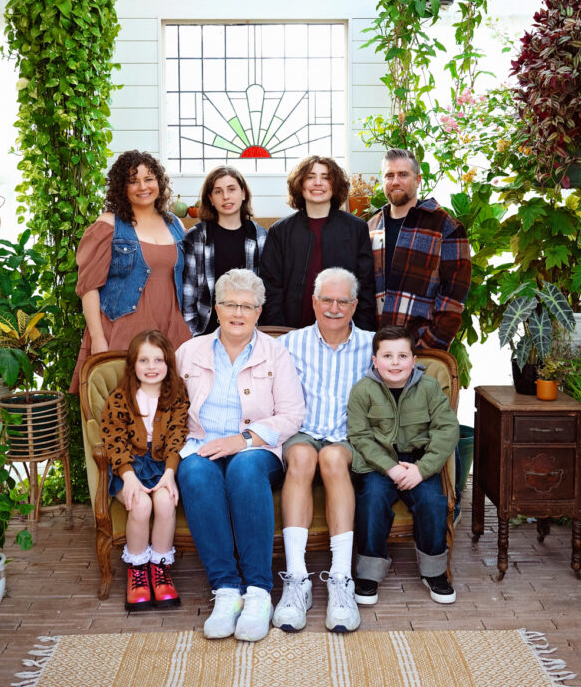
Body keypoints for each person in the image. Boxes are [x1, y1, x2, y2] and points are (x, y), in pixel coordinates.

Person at [174, 269, 306, 642]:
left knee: (245, 471)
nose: (238, 312)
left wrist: (243, 438)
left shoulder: (276, 354)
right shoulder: (189, 351)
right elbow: (170, 408)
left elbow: (292, 414)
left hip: (257, 448)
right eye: (230, 303)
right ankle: (227, 591)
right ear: (216, 308)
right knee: (196, 473)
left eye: (246, 306)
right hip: (200, 443)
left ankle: (259, 593)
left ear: (259, 312)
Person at [273, 268, 373, 634]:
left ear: (354, 305)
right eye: (326, 300)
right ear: (314, 302)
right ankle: (297, 580)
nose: (334, 308)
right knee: (300, 456)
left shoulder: (372, 345)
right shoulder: (289, 344)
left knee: (331, 458)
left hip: (348, 438)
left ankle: (341, 580)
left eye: (342, 301)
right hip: (302, 431)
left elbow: (407, 374)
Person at [347, 325, 459, 606]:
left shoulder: (429, 387)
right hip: (379, 465)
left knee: (433, 502)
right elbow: (359, 436)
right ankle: (369, 573)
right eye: (387, 356)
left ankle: (434, 572)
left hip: (419, 463)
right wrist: (390, 467)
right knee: (371, 500)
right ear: (375, 360)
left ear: (413, 360)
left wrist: (422, 469)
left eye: (402, 356)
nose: (395, 363)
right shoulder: (363, 390)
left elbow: (447, 430)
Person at [71, 151, 191, 394]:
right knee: (123, 408)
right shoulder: (109, 224)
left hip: (171, 329)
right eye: (133, 181)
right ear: (121, 188)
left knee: (171, 409)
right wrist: (98, 339)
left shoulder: (175, 224)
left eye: (149, 179)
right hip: (123, 331)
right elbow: (88, 287)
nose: (142, 187)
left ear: (159, 182)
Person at [100, 330, 190, 610]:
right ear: (133, 365)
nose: (151, 367)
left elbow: (178, 436)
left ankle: (159, 569)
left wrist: (170, 474)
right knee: (139, 505)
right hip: (129, 465)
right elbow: (113, 439)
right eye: (144, 360)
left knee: (165, 501)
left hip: (164, 464)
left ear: (168, 363)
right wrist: (127, 476)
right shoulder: (121, 398)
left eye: (158, 360)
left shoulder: (176, 395)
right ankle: (137, 571)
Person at [366, 148, 470, 350]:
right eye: (389, 175)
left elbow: (454, 296)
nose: (395, 181)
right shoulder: (370, 227)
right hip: (374, 350)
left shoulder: (445, 227)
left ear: (418, 179)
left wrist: (428, 345)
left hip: (421, 349)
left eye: (403, 174)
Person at [260, 156, 375, 331]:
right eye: (310, 177)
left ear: (335, 184)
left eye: (326, 177)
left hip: (343, 333)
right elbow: (270, 288)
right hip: (290, 331)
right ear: (300, 184)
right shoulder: (280, 231)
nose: (318, 183)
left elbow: (365, 287)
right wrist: (278, 330)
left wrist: (362, 331)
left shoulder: (356, 229)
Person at [181, 166, 267, 336]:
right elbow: (188, 291)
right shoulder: (197, 237)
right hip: (206, 330)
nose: (226, 197)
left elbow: (264, 289)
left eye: (231, 189)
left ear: (243, 193)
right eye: (218, 191)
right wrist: (193, 332)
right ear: (210, 199)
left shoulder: (259, 237)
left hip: (248, 330)